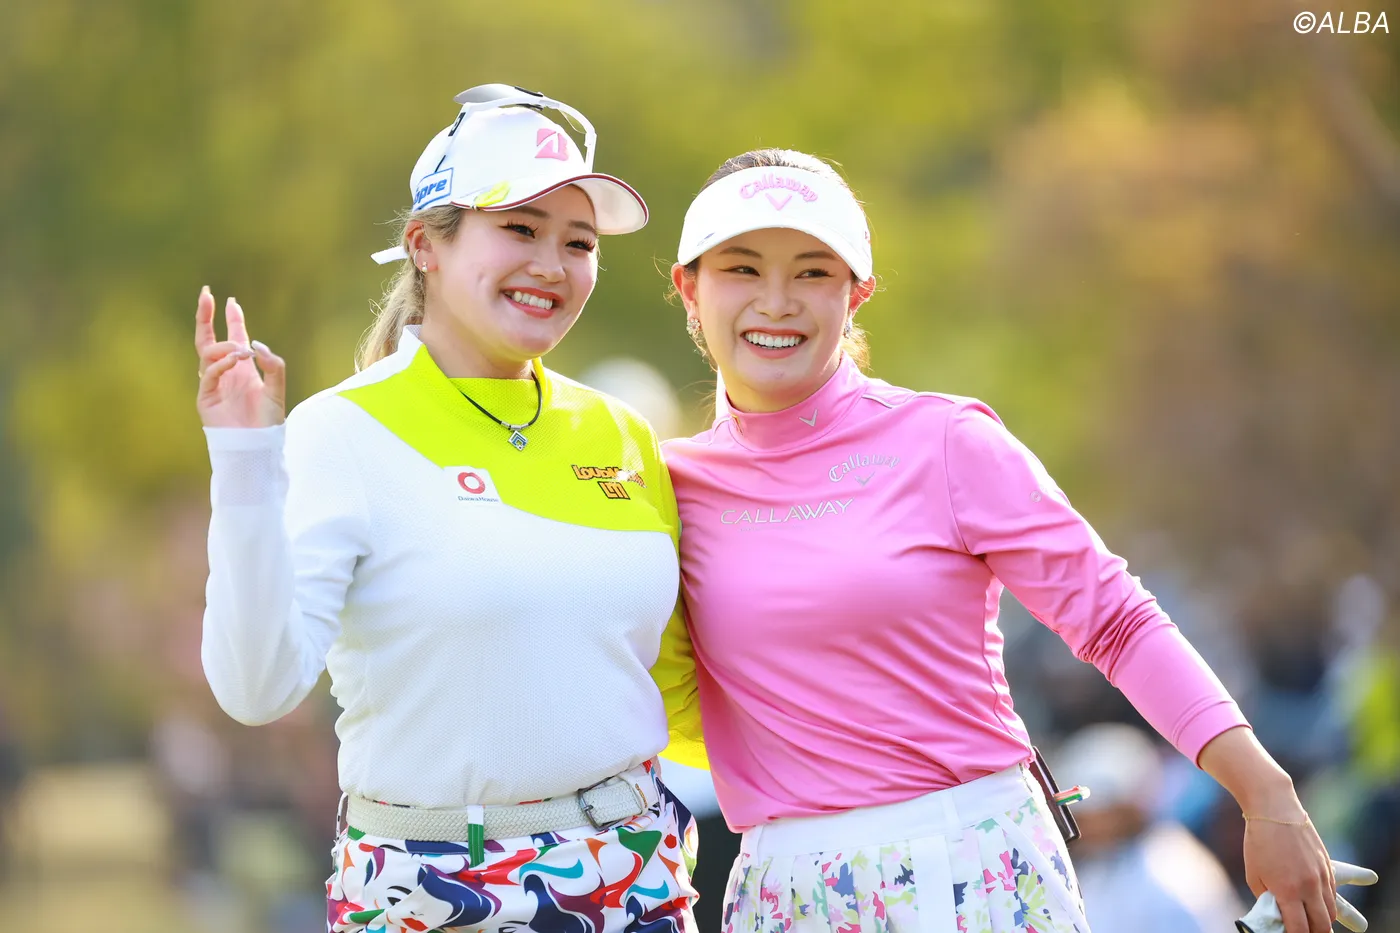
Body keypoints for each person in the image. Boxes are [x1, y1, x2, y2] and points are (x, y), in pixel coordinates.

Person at [662, 148, 1371, 933]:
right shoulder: (664, 487)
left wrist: (1266, 794)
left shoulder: (946, 441)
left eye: (812, 271)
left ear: (856, 291)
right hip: (783, 889)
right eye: (742, 269)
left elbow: (1116, 620)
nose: (776, 301)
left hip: (974, 867)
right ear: (689, 287)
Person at [195, 85, 705, 933]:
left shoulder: (623, 433)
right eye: (520, 228)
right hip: (430, 887)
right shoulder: (342, 431)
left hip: (634, 878)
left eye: (578, 242)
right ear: (424, 244)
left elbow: (681, 684)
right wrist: (244, 463)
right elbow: (257, 687)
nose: (553, 264)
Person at [1052, 723, 1245, 933]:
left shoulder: (1170, 875)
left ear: (1127, 807)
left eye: (1094, 813)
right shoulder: (1102, 860)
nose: (1082, 824)